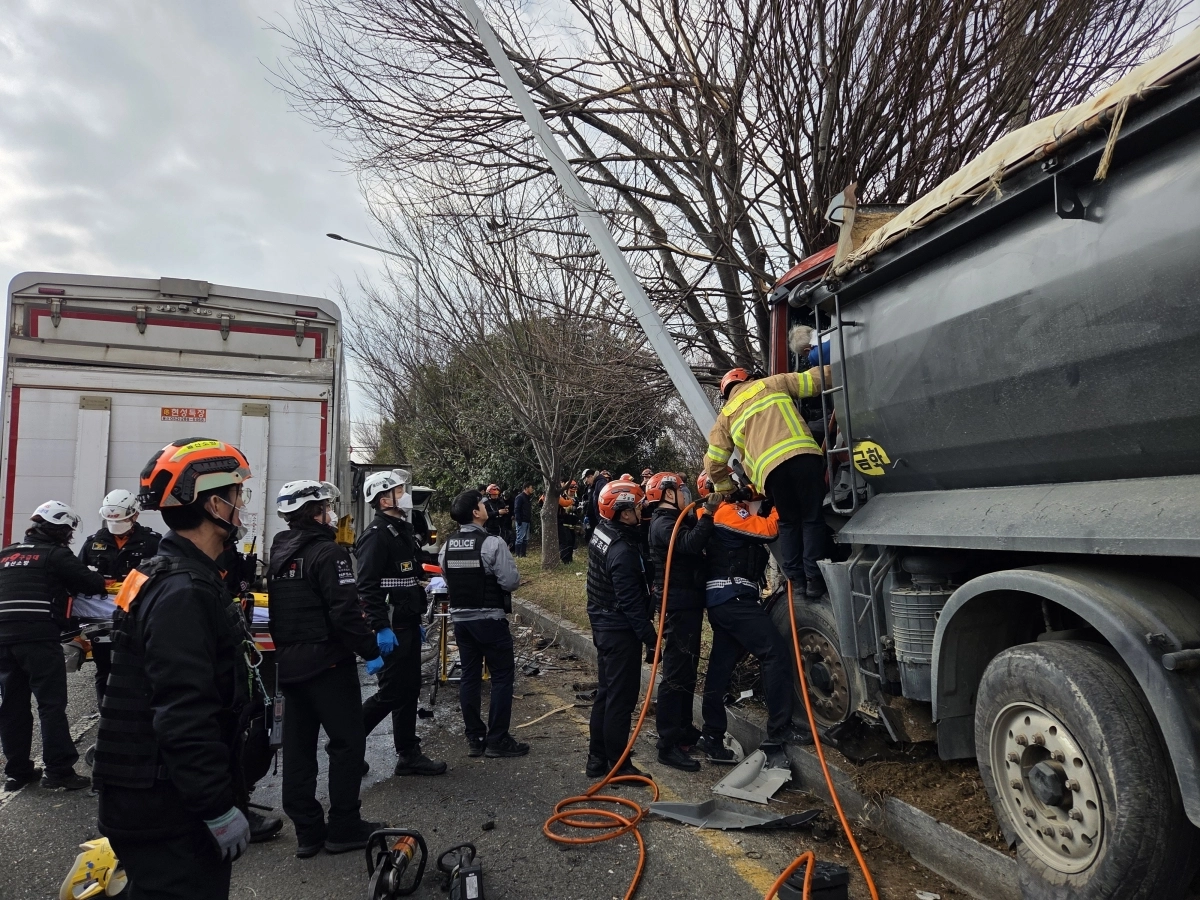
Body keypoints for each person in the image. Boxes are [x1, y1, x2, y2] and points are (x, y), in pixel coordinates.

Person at [93, 438, 255, 899]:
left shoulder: (165, 572)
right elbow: (183, 713)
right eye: (236, 495)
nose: (241, 506)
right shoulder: (183, 591)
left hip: (151, 796)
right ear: (211, 503)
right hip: (165, 807)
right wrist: (216, 808)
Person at [268, 480, 385, 858]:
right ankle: (344, 826)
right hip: (328, 665)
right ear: (315, 512)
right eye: (327, 507)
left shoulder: (280, 550)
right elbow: (346, 613)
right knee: (347, 743)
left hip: (288, 667)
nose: (332, 514)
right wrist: (370, 651)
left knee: (298, 750)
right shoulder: (328, 553)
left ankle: (307, 831)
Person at [698, 482, 809, 766]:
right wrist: (783, 500)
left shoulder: (720, 514)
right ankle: (778, 732)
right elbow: (769, 529)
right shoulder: (727, 514)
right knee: (774, 653)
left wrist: (759, 496)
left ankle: (711, 735)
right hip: (734, 599)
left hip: (725, 599)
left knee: (720, 668)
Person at [0, 501, 104, 792]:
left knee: (12, 707)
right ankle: (58, 771)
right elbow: (92, 582)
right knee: (51, 705)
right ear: (59, 531)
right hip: (38, 638)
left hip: (3, 639)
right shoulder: (55, 555)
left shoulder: (5, 554)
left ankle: (17, 772)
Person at [704, 364, 832, 598]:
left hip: (772, 473)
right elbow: (814, 380)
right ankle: (815, 579)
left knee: (789, 522)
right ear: (749, 378)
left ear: (726, 394)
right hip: (805, 458)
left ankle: (797, 581)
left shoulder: (726, 416)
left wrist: (727, 489)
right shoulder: (772, 382)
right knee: (812, 519)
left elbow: (713, 463)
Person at [357, 470, 447, 777]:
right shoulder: (376, 535)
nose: (404, 494)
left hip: (406, 621)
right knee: (391, 692)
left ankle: (408, 753)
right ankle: (347, 744)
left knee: (409, 690)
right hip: (392, 627)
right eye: (399, 490)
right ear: (385, 499)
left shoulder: (400, 529)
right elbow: (367, 586)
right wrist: (380, 626)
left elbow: (410, 572)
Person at [440, 489, 526, 759]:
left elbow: (446, 577)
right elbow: (510, 581)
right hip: (489, 619)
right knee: (502, 676)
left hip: (461, 622)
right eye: (481, 503)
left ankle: (475, 738)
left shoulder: (447, 546)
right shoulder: (493, 543)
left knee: (469, 676)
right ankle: (498, 739)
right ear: (476, 513)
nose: (485, 505)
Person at [585, 480, 657, 779]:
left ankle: (597, 759)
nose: (643, 511)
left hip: (603, 622)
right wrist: (651, 639)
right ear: (624, 514)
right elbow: (631, 604)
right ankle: (618, 765)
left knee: (606, 693)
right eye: (638, 507)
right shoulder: (623, 552)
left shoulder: (603, 531)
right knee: (621, 699)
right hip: (618, 630)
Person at [645, 473, 715, 772]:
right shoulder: (663, 524)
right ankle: (668, 743)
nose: (686, 493)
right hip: (676, 608)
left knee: (687, 669)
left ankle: (685, 730)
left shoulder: (675, 520)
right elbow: (688, 543)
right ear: (668, 494)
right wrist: (708, 515)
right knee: (675, 673)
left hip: (688, 603)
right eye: (681, 489)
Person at [76, 490, 161, 709]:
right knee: (103, 668)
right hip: (101, 618)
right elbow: (77, 577)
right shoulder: (94, 543)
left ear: (135, 516)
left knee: (140, 665)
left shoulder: (152, 543)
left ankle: (141, 714)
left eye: (122, 519)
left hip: (138, 615)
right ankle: (106, 713)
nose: (118, 524)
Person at [512, 483, 533, 558]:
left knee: (525, 538)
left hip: (527, 520)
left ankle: (523, 554)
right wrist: (518, 520)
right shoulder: (520, 497)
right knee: (520, 538)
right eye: (531, 487)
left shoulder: (528, 498)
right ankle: (518, 554)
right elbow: (517, 509)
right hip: (521, 520)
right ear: (526, 488)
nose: (532, 489)